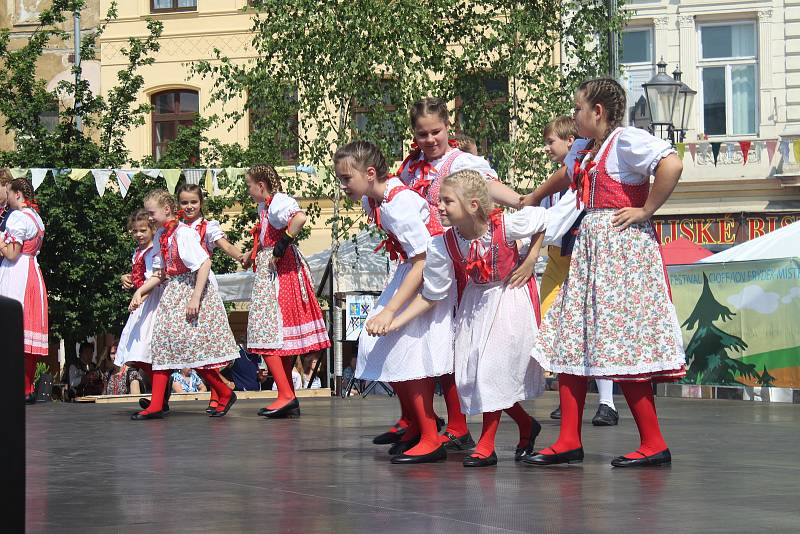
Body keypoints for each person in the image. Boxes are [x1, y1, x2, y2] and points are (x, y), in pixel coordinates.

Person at [525, 78, 686, 468]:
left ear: (597, 111)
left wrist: (646, 210)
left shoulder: (626, 141)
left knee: (621, 340)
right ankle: (568, 439)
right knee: (572, 335)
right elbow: (566, 175)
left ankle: (653, 441)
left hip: (622, 251)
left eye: (578, 108)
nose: (574, 115)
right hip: (592, 249)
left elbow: (672, 162)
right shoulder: (588, 149)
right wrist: (531, 197)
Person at [382, 97, 525, 451]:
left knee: (452, 346)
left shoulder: (461, 162)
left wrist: (522, 200)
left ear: (448, 127)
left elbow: (487, 190)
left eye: (436, 131)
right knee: (432, 345)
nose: (430, 139)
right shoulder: (410, 169)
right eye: (422, 134)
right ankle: (421, 421)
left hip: (458, 262)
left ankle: (459, 424)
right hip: (426, 261)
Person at [382, 170, 549, 467]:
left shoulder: (505, 226)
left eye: (447, 201)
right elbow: (432, 293)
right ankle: (525, 424)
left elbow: (542, 220)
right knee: (471, 375)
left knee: (489, 371)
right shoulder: (445, 243)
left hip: (508, 297)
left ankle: (487, 443)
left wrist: (531, 259)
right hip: (475, 303)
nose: (440, 208)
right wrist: (395, 319)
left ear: (473, 205)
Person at [336, 140, 452, 464]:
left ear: (370, 173)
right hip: (410, 270)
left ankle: (431, 435)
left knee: (409, 353)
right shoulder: (373, 201)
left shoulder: (398, 205)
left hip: (430, 274)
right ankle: (416, 425)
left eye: (347, 178)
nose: (343, 185)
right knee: (376, 346)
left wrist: (390, 310)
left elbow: (423, 258)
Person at [536, 116, 619, 426]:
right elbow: (547, 221)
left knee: (592, 327)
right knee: (552, 323)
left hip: (582, 256)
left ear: (571, 143)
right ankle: (568, 399)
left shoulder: (584, 174)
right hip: (558, 258)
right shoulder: (556, 184)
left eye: (551, 142)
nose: (547, 149)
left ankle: (608, 403)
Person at [128, 189, 239, 420]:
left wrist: (195, 297)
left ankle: (223, 391)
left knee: (191, 349)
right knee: (162, 345)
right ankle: (157, 403)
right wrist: (141, 291)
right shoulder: (161, 236)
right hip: (172, 293)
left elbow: (204, 263)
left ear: (166, 210)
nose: (148, 218)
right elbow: (160, 272)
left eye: (151, 213)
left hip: (189, 290)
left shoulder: (183, 233)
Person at [242, 164, 331, 418]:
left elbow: (299, 217)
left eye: (250, 186)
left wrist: (282, 244)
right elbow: (264, 239)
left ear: (261, 186)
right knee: (277, 338)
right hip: (272, 269)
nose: (248, 191)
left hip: (279, 273)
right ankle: (286, 394)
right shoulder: (265, 207)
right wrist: (251, 255)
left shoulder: (279, 201)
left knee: (265, 332)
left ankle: (286, 395)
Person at [176, 183, 246, 413]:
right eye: (184, 202)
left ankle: (219, 393)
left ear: (201, 203)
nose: (189, 206)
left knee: (205, 344)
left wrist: (242, 257)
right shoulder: (175, 228)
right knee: (195, 344)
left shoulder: (207, 227)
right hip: (181, 287)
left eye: (193, 202)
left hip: (202, 286)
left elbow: (224, 245)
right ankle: (217, 392)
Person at [0, 178, 48, 403]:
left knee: (13, 329)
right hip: (32, 272)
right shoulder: (35, 217)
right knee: (24, 330)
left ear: (18, 194)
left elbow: (11, 254)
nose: (7, 197)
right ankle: (26, 388)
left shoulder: (18, 217)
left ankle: (18, 388)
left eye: (9, 192)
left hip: (17, 274)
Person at [116, 209, 165, 406]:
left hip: (151, 301)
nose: (139, 235)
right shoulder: (137, 252)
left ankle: (161, 396)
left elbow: (154, 278)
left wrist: (140, 296)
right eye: (135, 231)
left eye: (143, 230)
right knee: (137, 354)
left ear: (152, 229)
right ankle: (160, 396)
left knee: (142, 350)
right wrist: (127, 278)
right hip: (142, 301)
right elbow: (140, 275)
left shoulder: (154, 250)